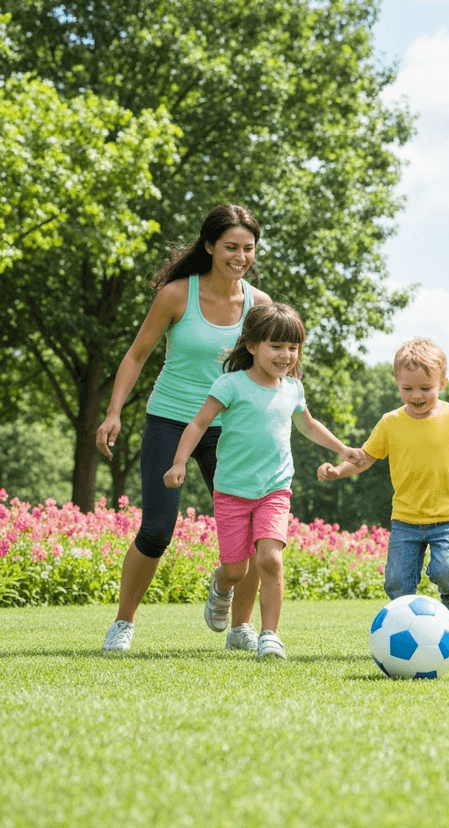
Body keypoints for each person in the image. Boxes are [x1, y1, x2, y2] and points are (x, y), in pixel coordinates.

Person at [97, 204, 271, 652]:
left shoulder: (259, 306)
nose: (240, 256)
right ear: (210, 246)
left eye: (248, 248)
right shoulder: (177, 294)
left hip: (228, 429)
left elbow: (271, 370)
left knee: (251, 531)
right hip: (171, 420)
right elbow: (136, 355)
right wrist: (114, 411)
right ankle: (123, 624)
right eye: (230, 247)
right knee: (156, 528)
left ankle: (240, 626)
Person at [163, 302, 366, 659]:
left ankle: (270, 635)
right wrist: (179, 462)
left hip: (274, 489)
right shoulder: (231, 384)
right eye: (276, 346)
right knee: (235, 569)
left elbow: (309, 425)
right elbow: (197, 424)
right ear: (253, 346)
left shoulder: (293, 389)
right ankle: (220, 585)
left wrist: (342, 449)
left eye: (293, 347)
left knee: (270, 560)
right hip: (232, 491)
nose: (286, 355)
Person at [317, 338, 449, 631]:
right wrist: (336, 472)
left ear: (442, 383)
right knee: (397, 583)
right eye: (407, 389)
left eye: (425, 388)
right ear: (397, 383)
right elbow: (366, 457)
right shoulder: (390, 422)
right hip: (406, 518)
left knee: (447, 571)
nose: (416, 396)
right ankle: (407, 629)